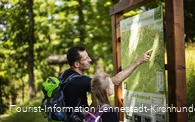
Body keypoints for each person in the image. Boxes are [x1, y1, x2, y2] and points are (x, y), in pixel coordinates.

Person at [59, 46, 152, 121]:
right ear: (77, 64)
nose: (90, 60)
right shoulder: (80, 82)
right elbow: (115, 80)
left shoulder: (64, 75)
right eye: (86, 58)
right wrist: (137, 62)